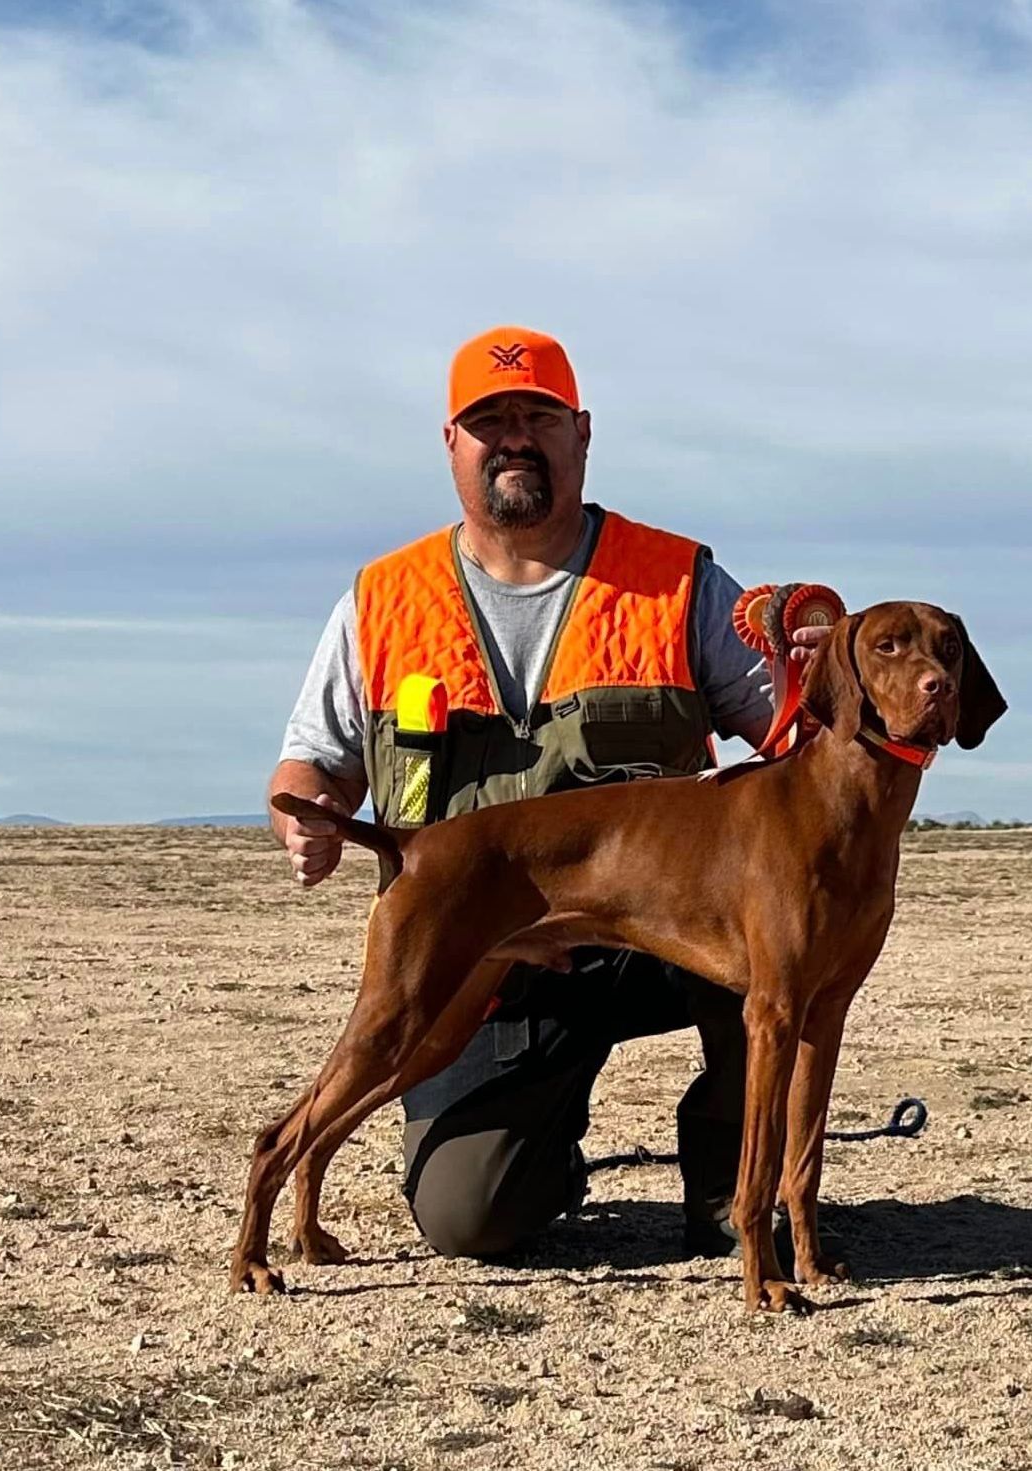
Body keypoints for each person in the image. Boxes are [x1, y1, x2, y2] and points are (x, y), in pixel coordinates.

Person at [270, 325, 820, 1260]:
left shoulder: (675, 580)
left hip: (666, 931)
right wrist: (304, 819)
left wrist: (827, 663)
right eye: (491, 420)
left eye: (538, 416)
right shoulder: (382, 599)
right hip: (491, 943)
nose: (515, 436)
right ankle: (538, 1155)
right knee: (470, 1214)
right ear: (453, 443)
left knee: (771, 941)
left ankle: (741, 1192)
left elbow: (796, 743)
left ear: (582, 433)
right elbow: (307, 767)